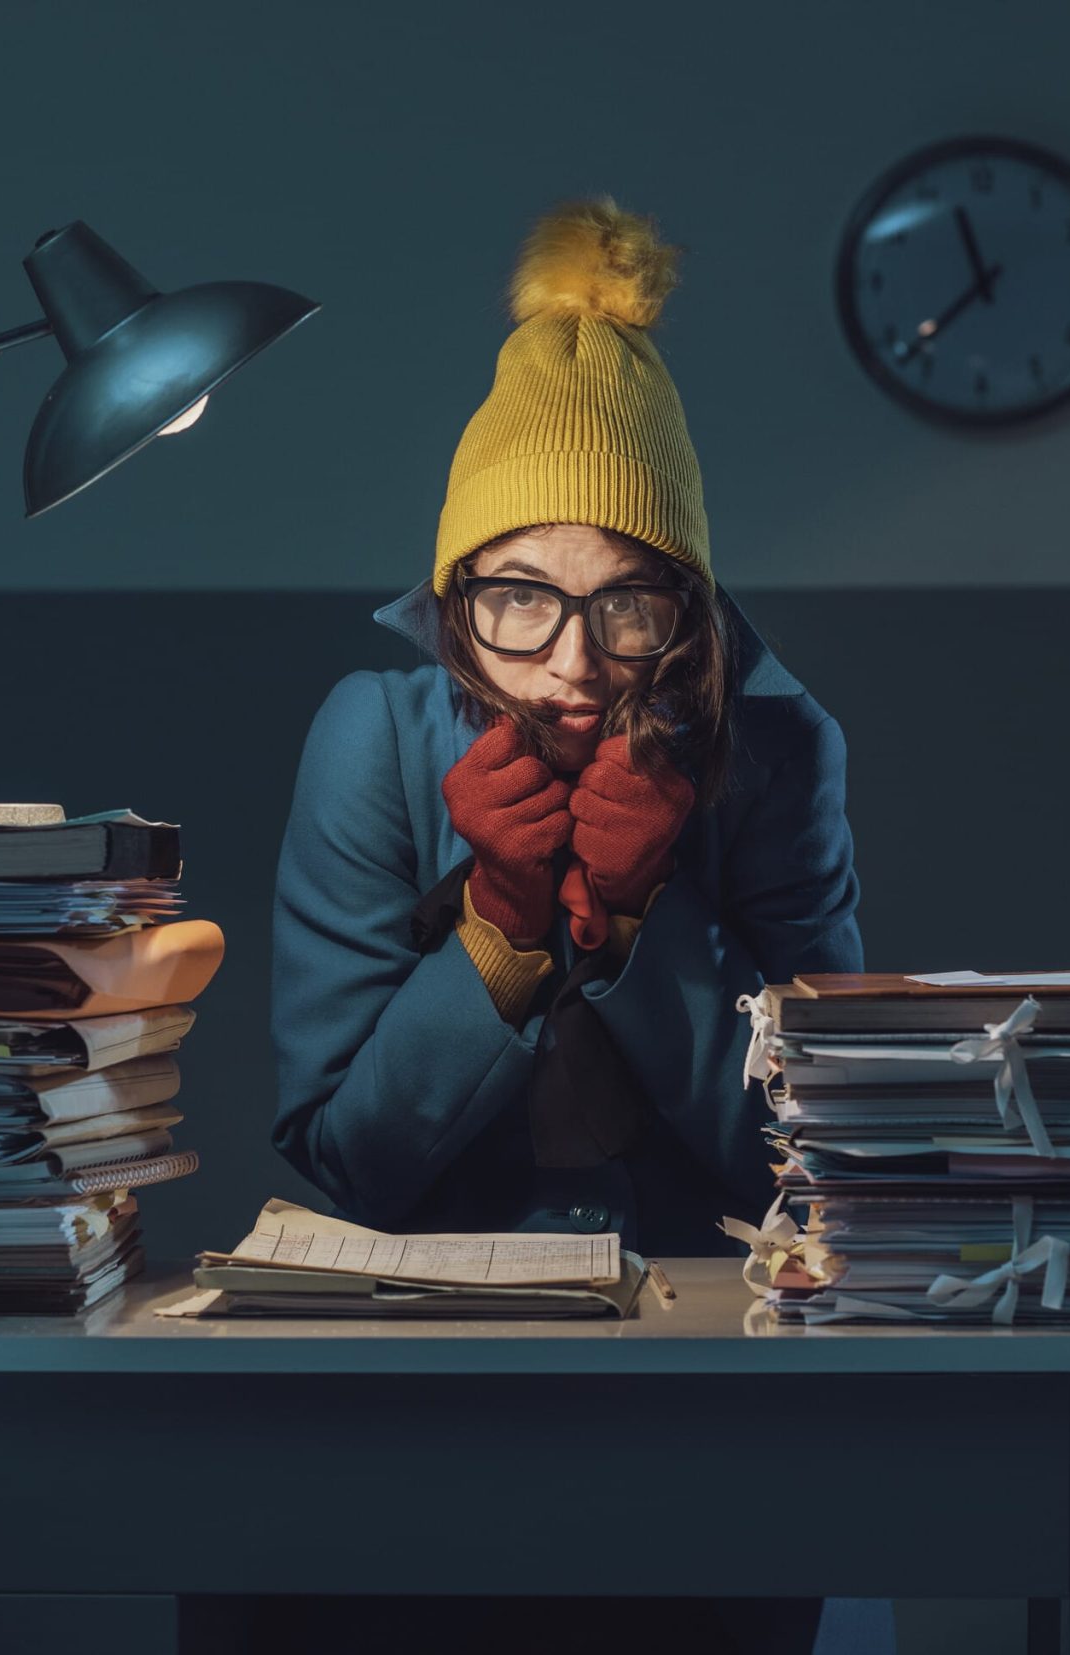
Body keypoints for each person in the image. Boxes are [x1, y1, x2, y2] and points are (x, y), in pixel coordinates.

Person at [264, 198, 878, 1655]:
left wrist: (638, 926)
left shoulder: (778, 753)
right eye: (520, 598)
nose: (573, 664)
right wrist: (502, 931)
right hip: (416, 1366)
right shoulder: (373, 738)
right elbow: (341, 1155)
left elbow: (829, 1166)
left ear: (697, 609)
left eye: (630, 605)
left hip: (718, 1365)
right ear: (451, 599)